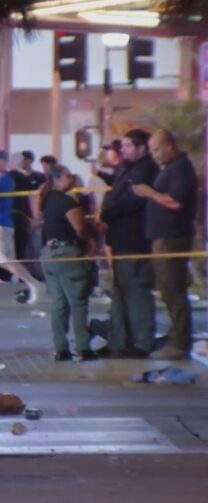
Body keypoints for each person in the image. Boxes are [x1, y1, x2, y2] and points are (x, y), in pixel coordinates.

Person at [132, 129, 198, 360]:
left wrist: (150, 192)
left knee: (173, 290)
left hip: (172, 238)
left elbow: (175, 202)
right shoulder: (169, 169)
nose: (155, 155)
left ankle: (180, 342)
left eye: (157, 150)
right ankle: (175, 336)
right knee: (167, 289)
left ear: (170, 146)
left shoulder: (181, 168)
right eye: (152, 151)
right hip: (162, 237)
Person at [95, 129, 159, 358]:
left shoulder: (145, 170)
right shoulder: (127, 169)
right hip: (121, 240)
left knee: (137, 294)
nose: (123, 150)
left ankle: (142, 343)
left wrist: (107, 213)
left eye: (128, 146)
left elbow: (129, 203)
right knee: (121, 294)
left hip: (135, 242)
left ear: (142, 148)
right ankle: (119, 342)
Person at [39, 164, 96, 361]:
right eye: (68, 176)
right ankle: (83, 347)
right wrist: (87, 245)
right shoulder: (67, 202)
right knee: (78, 301)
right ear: (57, 178)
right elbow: (80, 229)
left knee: (59, 303)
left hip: (49, 254)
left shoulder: (47, 199)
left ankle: (61, 348)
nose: (71, 179)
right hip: (68, 254)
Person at [0, 149, 43, 303]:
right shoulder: (1, 178)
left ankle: (34, 283)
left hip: (1, 223)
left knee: (3, 259)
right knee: (5, 259)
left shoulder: (4, 179)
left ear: (4, 162)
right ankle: (31, 284)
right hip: (1, 222)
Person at [9, 150, 46, 281]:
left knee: (28, 246)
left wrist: (35, 217)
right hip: (20, 216)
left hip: (23, 217)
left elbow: (33, 198)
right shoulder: (17, 177)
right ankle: (23, 274)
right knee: (22, 246)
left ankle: (27, 274)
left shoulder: (37, 177)